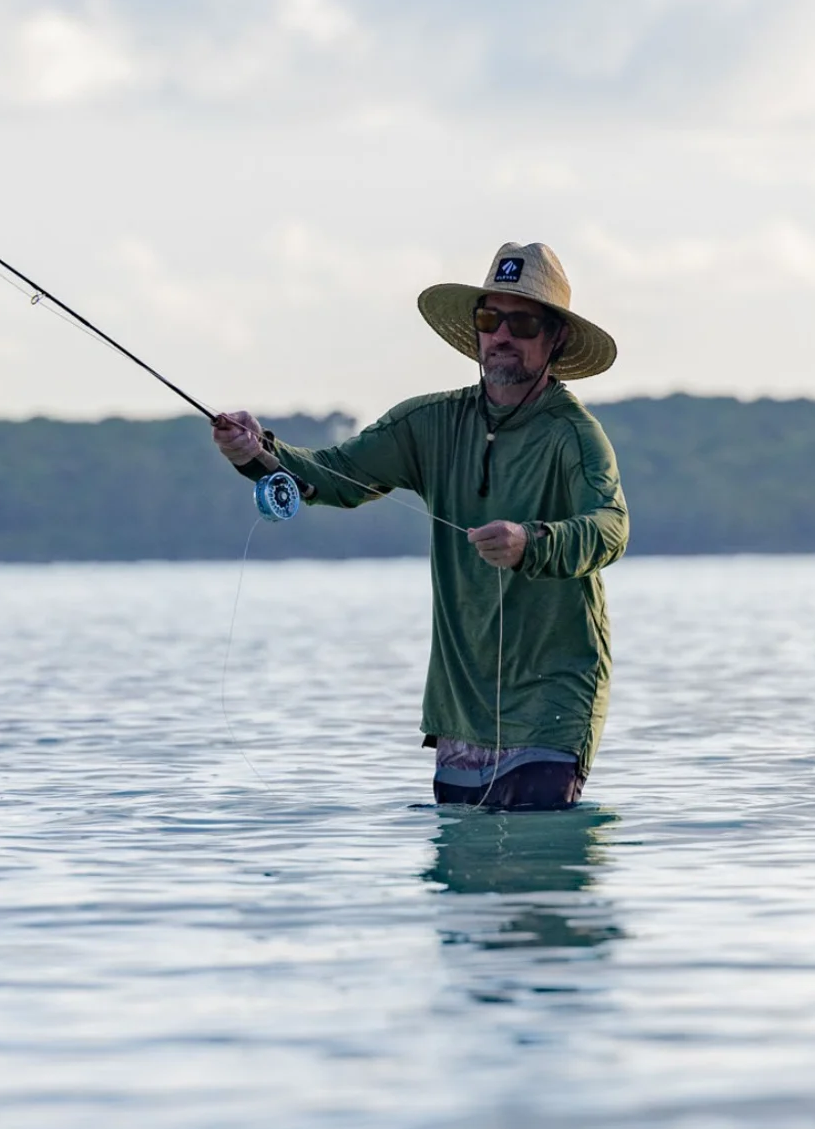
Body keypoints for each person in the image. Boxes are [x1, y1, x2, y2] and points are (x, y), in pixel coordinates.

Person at [211, 241, 629, 811]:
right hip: (459, 707)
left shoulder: (576, 435)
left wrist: (532, 542)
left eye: (523, 321)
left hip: (552, 705)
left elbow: (611, 527)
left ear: (554, 338)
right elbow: (333, 477)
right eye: (490, 318)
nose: (502, 334)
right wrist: (254, 452)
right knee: (461, 888)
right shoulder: (426, 422)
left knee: (537, 878)